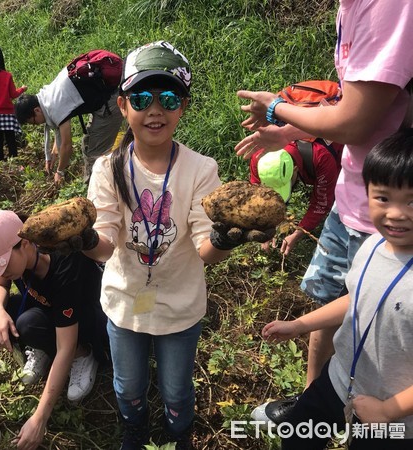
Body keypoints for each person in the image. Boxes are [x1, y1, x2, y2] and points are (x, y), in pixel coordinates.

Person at [82, 40, 273, 450]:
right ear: (122, 105)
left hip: (181, 306)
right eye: (142, 97)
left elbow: (206, 250)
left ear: (182, 107)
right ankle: (134, 428)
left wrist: (225, 238)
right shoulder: (108, 168)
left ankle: (178, 433)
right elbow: (103, 246)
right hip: (124, 300)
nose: (155, 110)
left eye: (169, 98)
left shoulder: (202, 170)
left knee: (176, 389)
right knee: (127, 382)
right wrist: (80, 237)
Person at [238, 0, 413, 422]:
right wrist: (287, 131)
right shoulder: (350, 7)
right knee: (326, 306)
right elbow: (360, 106)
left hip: (388, 202)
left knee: (390, 326)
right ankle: (315, 401)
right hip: (355, 197)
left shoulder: (391, 6)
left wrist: (278, 107)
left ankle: (375, 409)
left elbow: (353, 123)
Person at [261, 129, 413, 449]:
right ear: (366, 193)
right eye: (383, 197)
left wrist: (387, 411)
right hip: (339, 377)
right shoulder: (373, 245)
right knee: (297, 436)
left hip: (391, 415)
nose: (396, 213)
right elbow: (356, 299)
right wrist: (299, 325)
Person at [0, 210, 108, 450]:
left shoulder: (64, 265)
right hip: (45, 306)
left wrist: (39, 418)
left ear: (24, 244)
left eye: (2, 264)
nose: (0, 272)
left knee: (28, 324)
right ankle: (42, 345)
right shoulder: (21, 255)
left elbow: (65, 347)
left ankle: (83, 355)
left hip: (83, 319)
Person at [15, 53, 123, 184]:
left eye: (33, 122)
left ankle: (100, 190)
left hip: (111, 104)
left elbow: (67, 146)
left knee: (96, 156)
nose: (35, 125)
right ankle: (91, 184)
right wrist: (53, 155)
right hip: (101, 103)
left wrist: (60, 172)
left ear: (36, 110)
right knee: (87, 145)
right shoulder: (47, 96)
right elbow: (59, 129)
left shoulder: (53, 106)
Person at [249, 139, 342, 255]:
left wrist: (297, 234)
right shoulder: (259, 159)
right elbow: (259, 197)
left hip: (342, 155)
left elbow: (320, 203)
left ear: (295, 169)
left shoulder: (322, 157)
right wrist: (266, 227)